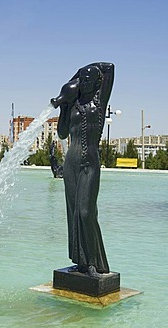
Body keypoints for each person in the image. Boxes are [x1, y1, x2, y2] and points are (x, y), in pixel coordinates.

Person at [51, 62, 114, 277]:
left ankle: (94, 263)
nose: (85, 83)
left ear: (97, 83)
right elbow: (61, 133)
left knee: (86, 212)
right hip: (71, 163)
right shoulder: (73, 105)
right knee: (74, 212)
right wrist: (64, 106)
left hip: (90, 163)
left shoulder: (100, 101)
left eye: (89, 80)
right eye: (83, 80)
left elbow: (109, 68)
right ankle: (81, 261)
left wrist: (76, 76)